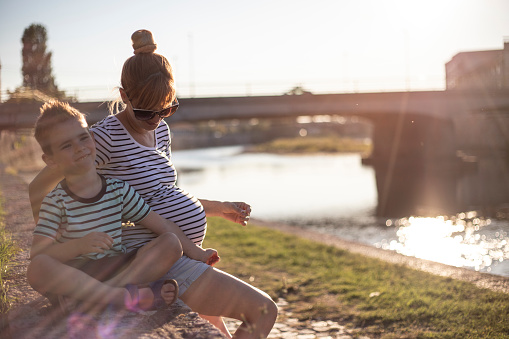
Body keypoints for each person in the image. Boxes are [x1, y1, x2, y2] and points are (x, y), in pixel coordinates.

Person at [29, 30, 277, 338]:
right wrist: (64, 249)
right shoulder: (103, 138)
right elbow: (40, 187)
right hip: (151, 256)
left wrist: (217, 208)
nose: (156, 119)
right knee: (265, 311)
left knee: (218, 332)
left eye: (167, 108)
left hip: (184, 252)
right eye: (147, 111)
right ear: (124, 96)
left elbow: (161, 194)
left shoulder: (161, 131)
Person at [27, 100, 195, 312]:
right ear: (50, 160)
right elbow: (38, 253)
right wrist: (78, 246)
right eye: (66, 145)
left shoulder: (118, 190)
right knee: (37, 268)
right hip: (76, 273)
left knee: (170, 243)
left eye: (83, 137)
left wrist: (195, 252)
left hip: (117, 268)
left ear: (92, 138)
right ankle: (119, 296)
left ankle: (97, 298)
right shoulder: (55, 201)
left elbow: (161, 224)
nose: (79, 148)